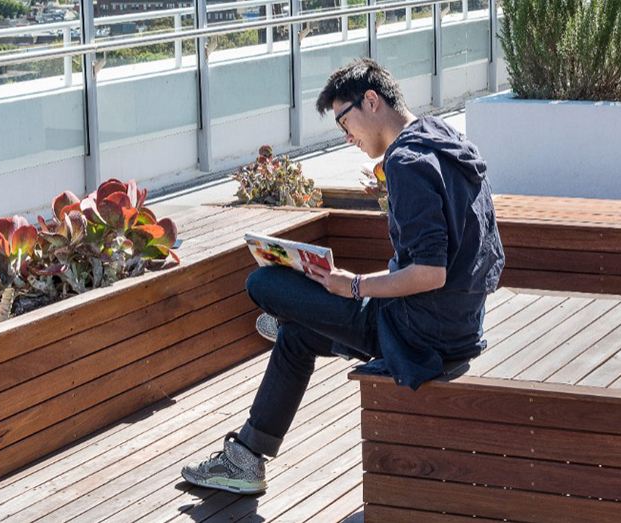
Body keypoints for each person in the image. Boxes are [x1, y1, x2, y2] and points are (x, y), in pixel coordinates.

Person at [179, 57, 505, 495]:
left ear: (371, 101)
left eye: (344, 120)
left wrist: (353, 285)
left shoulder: (406, 162)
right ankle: (246, 459)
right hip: (461, 325)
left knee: (264, 284)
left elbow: (429, 272)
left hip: (418, 335)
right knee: (297, 335)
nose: (345, 135)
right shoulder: (444, 137)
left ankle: (292, 318)